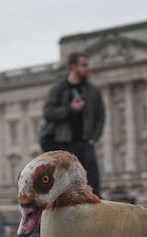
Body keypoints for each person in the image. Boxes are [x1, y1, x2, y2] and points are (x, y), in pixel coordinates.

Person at [43, 51, 105, 197]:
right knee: (65, 188)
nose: (87, 69)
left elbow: (100, 116)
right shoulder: (59, 89)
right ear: (73, 67)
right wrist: (70, 109)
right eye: (83, 65)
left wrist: (94, 137)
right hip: (64, 145)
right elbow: (48, 112)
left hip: (85, 143)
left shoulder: (93, 91)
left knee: (93, 187)